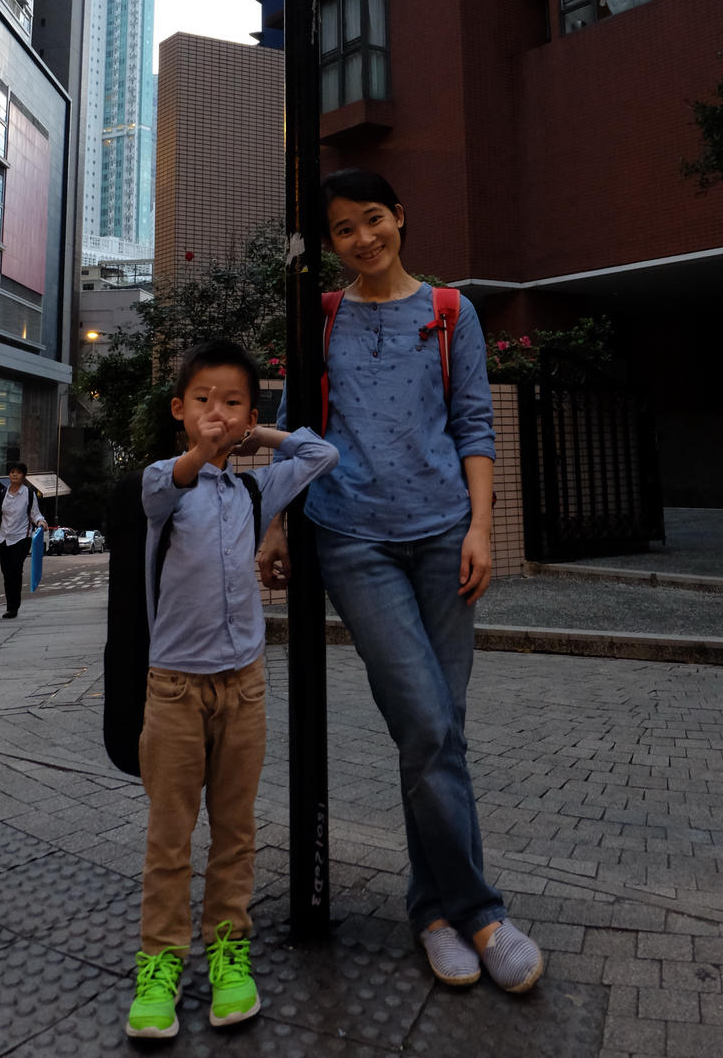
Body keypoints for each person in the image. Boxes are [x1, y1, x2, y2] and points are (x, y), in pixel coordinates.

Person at [264, 169, 544, 995]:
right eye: (343, 229)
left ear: (400, 218)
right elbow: (295, 427)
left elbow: (474, 426)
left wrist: (481, 529)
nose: (363, 239)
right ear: (330, 244)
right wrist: (275, 523)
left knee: (441, 731)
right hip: (353, 540)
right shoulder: (323, 316)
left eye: (373, 219)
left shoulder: (451, 312)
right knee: (423, 721)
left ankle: (433, 912)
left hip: (445, 536)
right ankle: (481, 913)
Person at [126, 337, 338, 1041]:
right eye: (203, 399)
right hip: (174, 691)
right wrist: (204, 449)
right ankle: (160, 963)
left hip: (244, 687)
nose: (216, 411)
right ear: (179, 409)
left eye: (232, 401)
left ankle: (228, 951)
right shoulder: (165, 483)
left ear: (247, 413)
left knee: (236, 831)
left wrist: (260, 435)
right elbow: (168, 483)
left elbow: (320, 455)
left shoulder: (253, 489)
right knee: (170, 835)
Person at [0, 459, 47, 620]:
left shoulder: (29, 494)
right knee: (7, 573)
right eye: (12, 472)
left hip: (22, 538)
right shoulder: (0, 495)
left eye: (18, 472)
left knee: (15, 570)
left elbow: (35, 514)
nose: (14, 475)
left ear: (23, 476)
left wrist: (41, 522)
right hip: (4, 539)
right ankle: (10, 605)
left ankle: (13, 607)